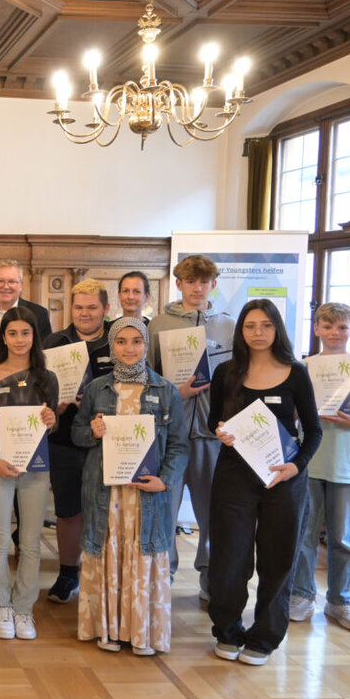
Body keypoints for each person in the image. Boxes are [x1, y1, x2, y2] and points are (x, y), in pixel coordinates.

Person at [208, 299, 321, 666]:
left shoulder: (296, 372)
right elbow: (213, 421)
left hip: (283, 478)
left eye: (266, 325)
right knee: (229, 556)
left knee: (278, 558)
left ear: (277, 329)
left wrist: (296, 467)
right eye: (250, 326)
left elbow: (314, 431)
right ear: (240, 331)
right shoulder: (225, 372)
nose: (258, 333)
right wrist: (221, 432)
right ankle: (227, 631)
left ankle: (265, 637)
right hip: (234, 475)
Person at [72, 317, 188, 655]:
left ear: (146, 345)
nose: (129, 348)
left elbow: (179, 445)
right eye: (121, 341)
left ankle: (141, 632)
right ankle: (108, 630)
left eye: (137, 341)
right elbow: (77, 434)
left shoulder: (166, 390)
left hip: (145, 495)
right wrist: (92, 432)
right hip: (106, 493)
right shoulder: (97, 389)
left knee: (141, 552)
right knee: (108, 549)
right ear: (112, 346)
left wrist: (165, 480)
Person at [290, 303, 350, 632]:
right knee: (304, 534)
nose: (335, 332)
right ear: (317, 328)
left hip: (348, 463)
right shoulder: (303, 368)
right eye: (328, 326)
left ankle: (340, 600)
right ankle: (302, 595)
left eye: (342, 327)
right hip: (309, 460)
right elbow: (290, 413)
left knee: (342, 538)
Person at [147, 254, 235, 600]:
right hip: (169, 434)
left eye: (204, 282)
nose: (198, 288)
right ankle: (163, 575)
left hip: (213, 435)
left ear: (214, 284)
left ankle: (210, 577)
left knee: (212, 512)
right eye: (191, 282)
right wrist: (175, 394)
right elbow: (148, 378)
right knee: (164, 511)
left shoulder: (229, 326)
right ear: (179, 283)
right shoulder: (159, 325)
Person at [0, 307, 57, 641]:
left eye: (26, 333)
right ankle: (2, 606)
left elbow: (51, 425)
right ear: (3, 338)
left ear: (34, 336)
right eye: (13, 333)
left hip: (35, 470)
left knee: (30, 542)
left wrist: (52, 421)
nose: (20, 339)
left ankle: (24, 608)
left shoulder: (47, 378)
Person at [42, 279, 115, 603]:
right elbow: (40, 390)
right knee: (68, 510)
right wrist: (54, 404)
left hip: (108, 441)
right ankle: (68, 573)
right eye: (79, 307)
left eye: (92, 307)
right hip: (63, 440)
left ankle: (105, 575)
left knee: (109, 511)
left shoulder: (119, 340)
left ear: (106, 308)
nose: (84, 313)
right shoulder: (54, 342)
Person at [0, 259, 52, 342]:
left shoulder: (39, 314)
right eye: (0, 281)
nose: (6, 286)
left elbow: (45, 348)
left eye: (11, 281)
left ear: (21, 285)